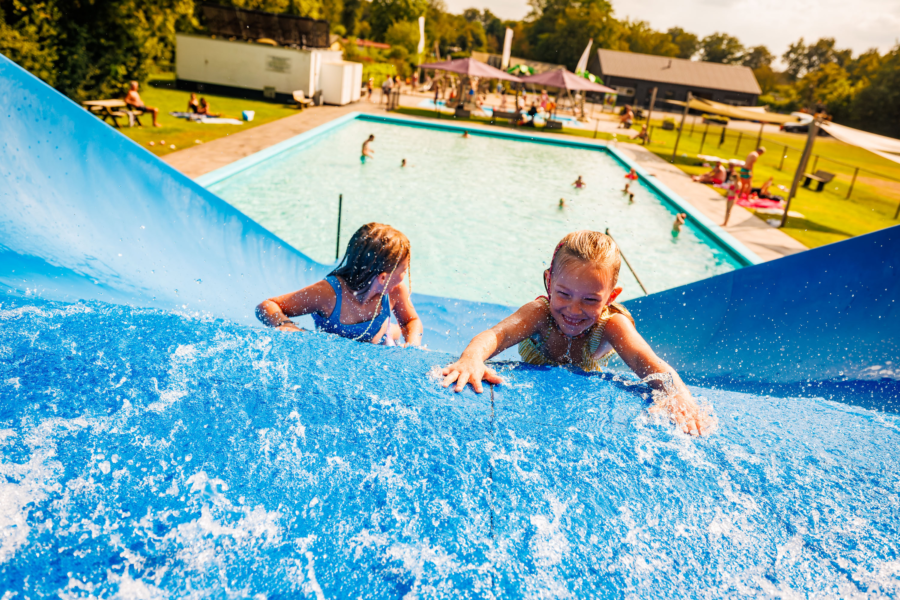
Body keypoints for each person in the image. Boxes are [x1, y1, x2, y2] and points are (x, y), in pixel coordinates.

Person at [440, 231, 714, 436]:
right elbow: (496, 335)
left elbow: (650, 364)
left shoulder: (611, 325)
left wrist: (678, 396)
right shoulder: (540, 313)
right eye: (563, 294)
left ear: (611, 296)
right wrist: (472, 359)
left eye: (591, 300)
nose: (574, 310)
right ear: (549, 282)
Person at [256, 223, 423, 347]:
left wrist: (412, 344)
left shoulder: (394, 291)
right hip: (357, 341)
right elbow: (267, 305)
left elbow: (411, 321)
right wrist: (285, 325)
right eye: (404, 270)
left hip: (381, 339)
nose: (404, 277)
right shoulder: (328, 294)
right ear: (382, 278)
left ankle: (389, 331)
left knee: (389, 333)